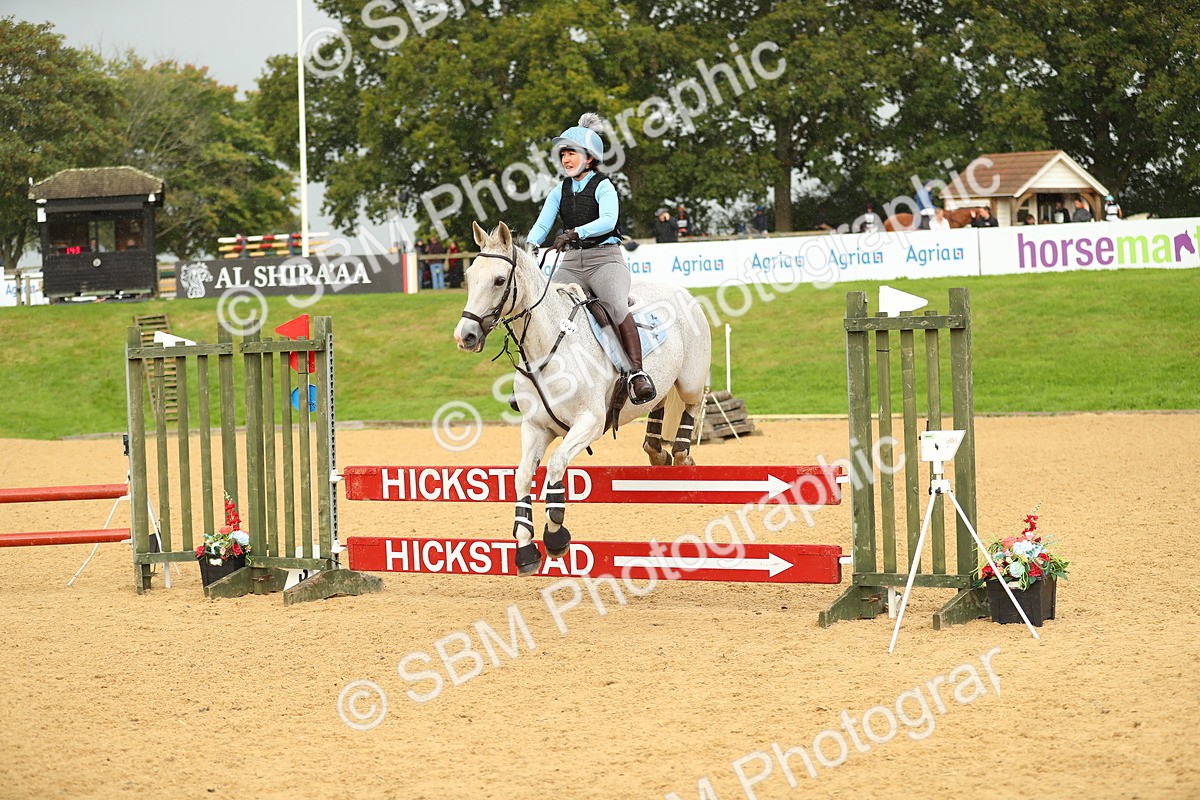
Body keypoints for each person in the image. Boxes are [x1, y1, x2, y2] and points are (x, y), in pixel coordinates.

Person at [526, 112, 655, 404]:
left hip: (605, 260)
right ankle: (535, 378)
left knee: (616, 304)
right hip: (571, 265)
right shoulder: (559, 190)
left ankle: (636, 373)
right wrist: (530, 245)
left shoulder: (604, 186)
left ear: (589, 158)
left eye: (572, 153)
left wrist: (574, 232)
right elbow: (543, 225)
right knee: (544, 305)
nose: (566, 159)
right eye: (563, 154)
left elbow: (609, 221)